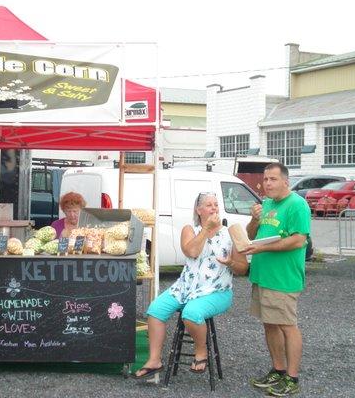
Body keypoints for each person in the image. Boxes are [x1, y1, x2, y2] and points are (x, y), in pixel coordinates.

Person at [133, 192, 248, 379]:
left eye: (216, 204)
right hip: (185, 287)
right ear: (198, 209)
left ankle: (201, 352)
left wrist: (231, 263)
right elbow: (192, 251)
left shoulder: (231, 233)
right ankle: (155, 360)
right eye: (209, 205)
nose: (214, 208)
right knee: (155, 310)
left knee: (191, 313)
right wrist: (205, 230)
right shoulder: (190, 229)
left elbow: (243, 268)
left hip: (217, 290)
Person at [243, 163, 310, 396]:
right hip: (263, 276)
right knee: (269, 324)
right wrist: (253, 219)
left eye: (272, 179)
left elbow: (298, 241)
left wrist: (261, 250)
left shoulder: (297, 205)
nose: (267, 183)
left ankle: (292, 378)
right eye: (265, 179)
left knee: (287, 326)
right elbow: (251, 235)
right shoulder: (267, 204)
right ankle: (278, 370)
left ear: (285, 181)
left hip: (283, 278)